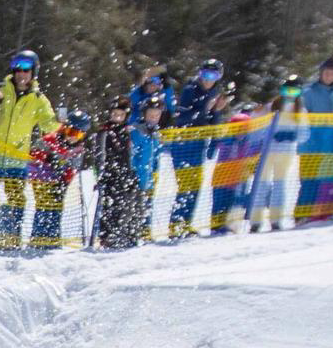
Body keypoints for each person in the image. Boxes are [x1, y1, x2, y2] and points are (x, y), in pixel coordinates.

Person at [0, 49, 58, 249]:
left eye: (26, 69)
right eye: (17, 68)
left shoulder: (38, 99)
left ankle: (12, 236)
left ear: (33, 72)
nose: (21, 73)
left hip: (16, 156)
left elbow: (49, 124)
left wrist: (65, 131)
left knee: (16, 197)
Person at [168, 59, 232, 238]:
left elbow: (213, 121)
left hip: (199, 142)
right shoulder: (190, 90)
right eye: (205, 74)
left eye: (213, 75)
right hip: (183, 141)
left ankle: (186, 224)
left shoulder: (215, 92)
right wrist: (206, 108)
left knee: (195, 184)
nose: (208, 79)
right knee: (185, 184)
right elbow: (183, 117)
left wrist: (217, 111)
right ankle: (177, 225)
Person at [253, 76, 310, 232]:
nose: (290, 94)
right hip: (268, 151)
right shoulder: (272, 106)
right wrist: (268, 136)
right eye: (287, 90)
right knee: (262, 183)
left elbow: (304, 134)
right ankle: (255, 220)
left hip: (286, 153)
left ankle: (276, 218)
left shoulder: (300, 111)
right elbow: (258, 125)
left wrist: (291, 136)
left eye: (294, 91)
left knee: (280, 185)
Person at [27, 110, 89, 250]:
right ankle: (39, 238)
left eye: (78, 134)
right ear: (65, 128)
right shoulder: (50, 139)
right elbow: (33, 154)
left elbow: (72, 168)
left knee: (56, 206)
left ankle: (52, 238)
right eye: (71, 132)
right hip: (41, 178)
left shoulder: (78, 149)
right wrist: (47, 158)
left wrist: (64, 182)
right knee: (44, 206)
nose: (73, 137)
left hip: (58, 180)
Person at [90, 98, 142, 249]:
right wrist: (101, 175)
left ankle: (125, 234)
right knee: (109, 208)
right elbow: (100, 155)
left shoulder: (127, 131)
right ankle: (107, 237)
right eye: (115, 114)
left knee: (127, 206)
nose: (117, 118)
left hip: (125, 174)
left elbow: (130, 154)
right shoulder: (105, 132)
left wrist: (131, 173)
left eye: (121, 115)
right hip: (110, 175)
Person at [296, 56, 333, 223]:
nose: (330, 76)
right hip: (311, 141)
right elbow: (301, 116)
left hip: (331, 142)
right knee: (309, 178)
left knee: (330, 178)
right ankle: (302, 211)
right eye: (327, 73)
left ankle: (327, 209)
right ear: (321, 73)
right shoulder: (309, 92)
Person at [209, 101, 262, 234]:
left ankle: (230, 223)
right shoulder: (228, 141)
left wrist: (259, 147)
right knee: (219, 201)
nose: (241, 131)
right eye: (238, 128)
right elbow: (227, 153)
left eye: (244, 128)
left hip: (239, 178)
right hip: (223, 178)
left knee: (235, 201)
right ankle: (216, 223)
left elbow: (252, 153)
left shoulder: (248, 141)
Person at [132, 93, 168, 238]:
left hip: (148, 179)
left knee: (145, 206)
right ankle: (134, 232)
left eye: (157, 115)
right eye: (151, 115)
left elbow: (155, 157)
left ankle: (143, 231)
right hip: (136, 177)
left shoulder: (155, 134)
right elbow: (133, 155)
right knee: (135, 207)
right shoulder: (137, 132)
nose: (153, 118)